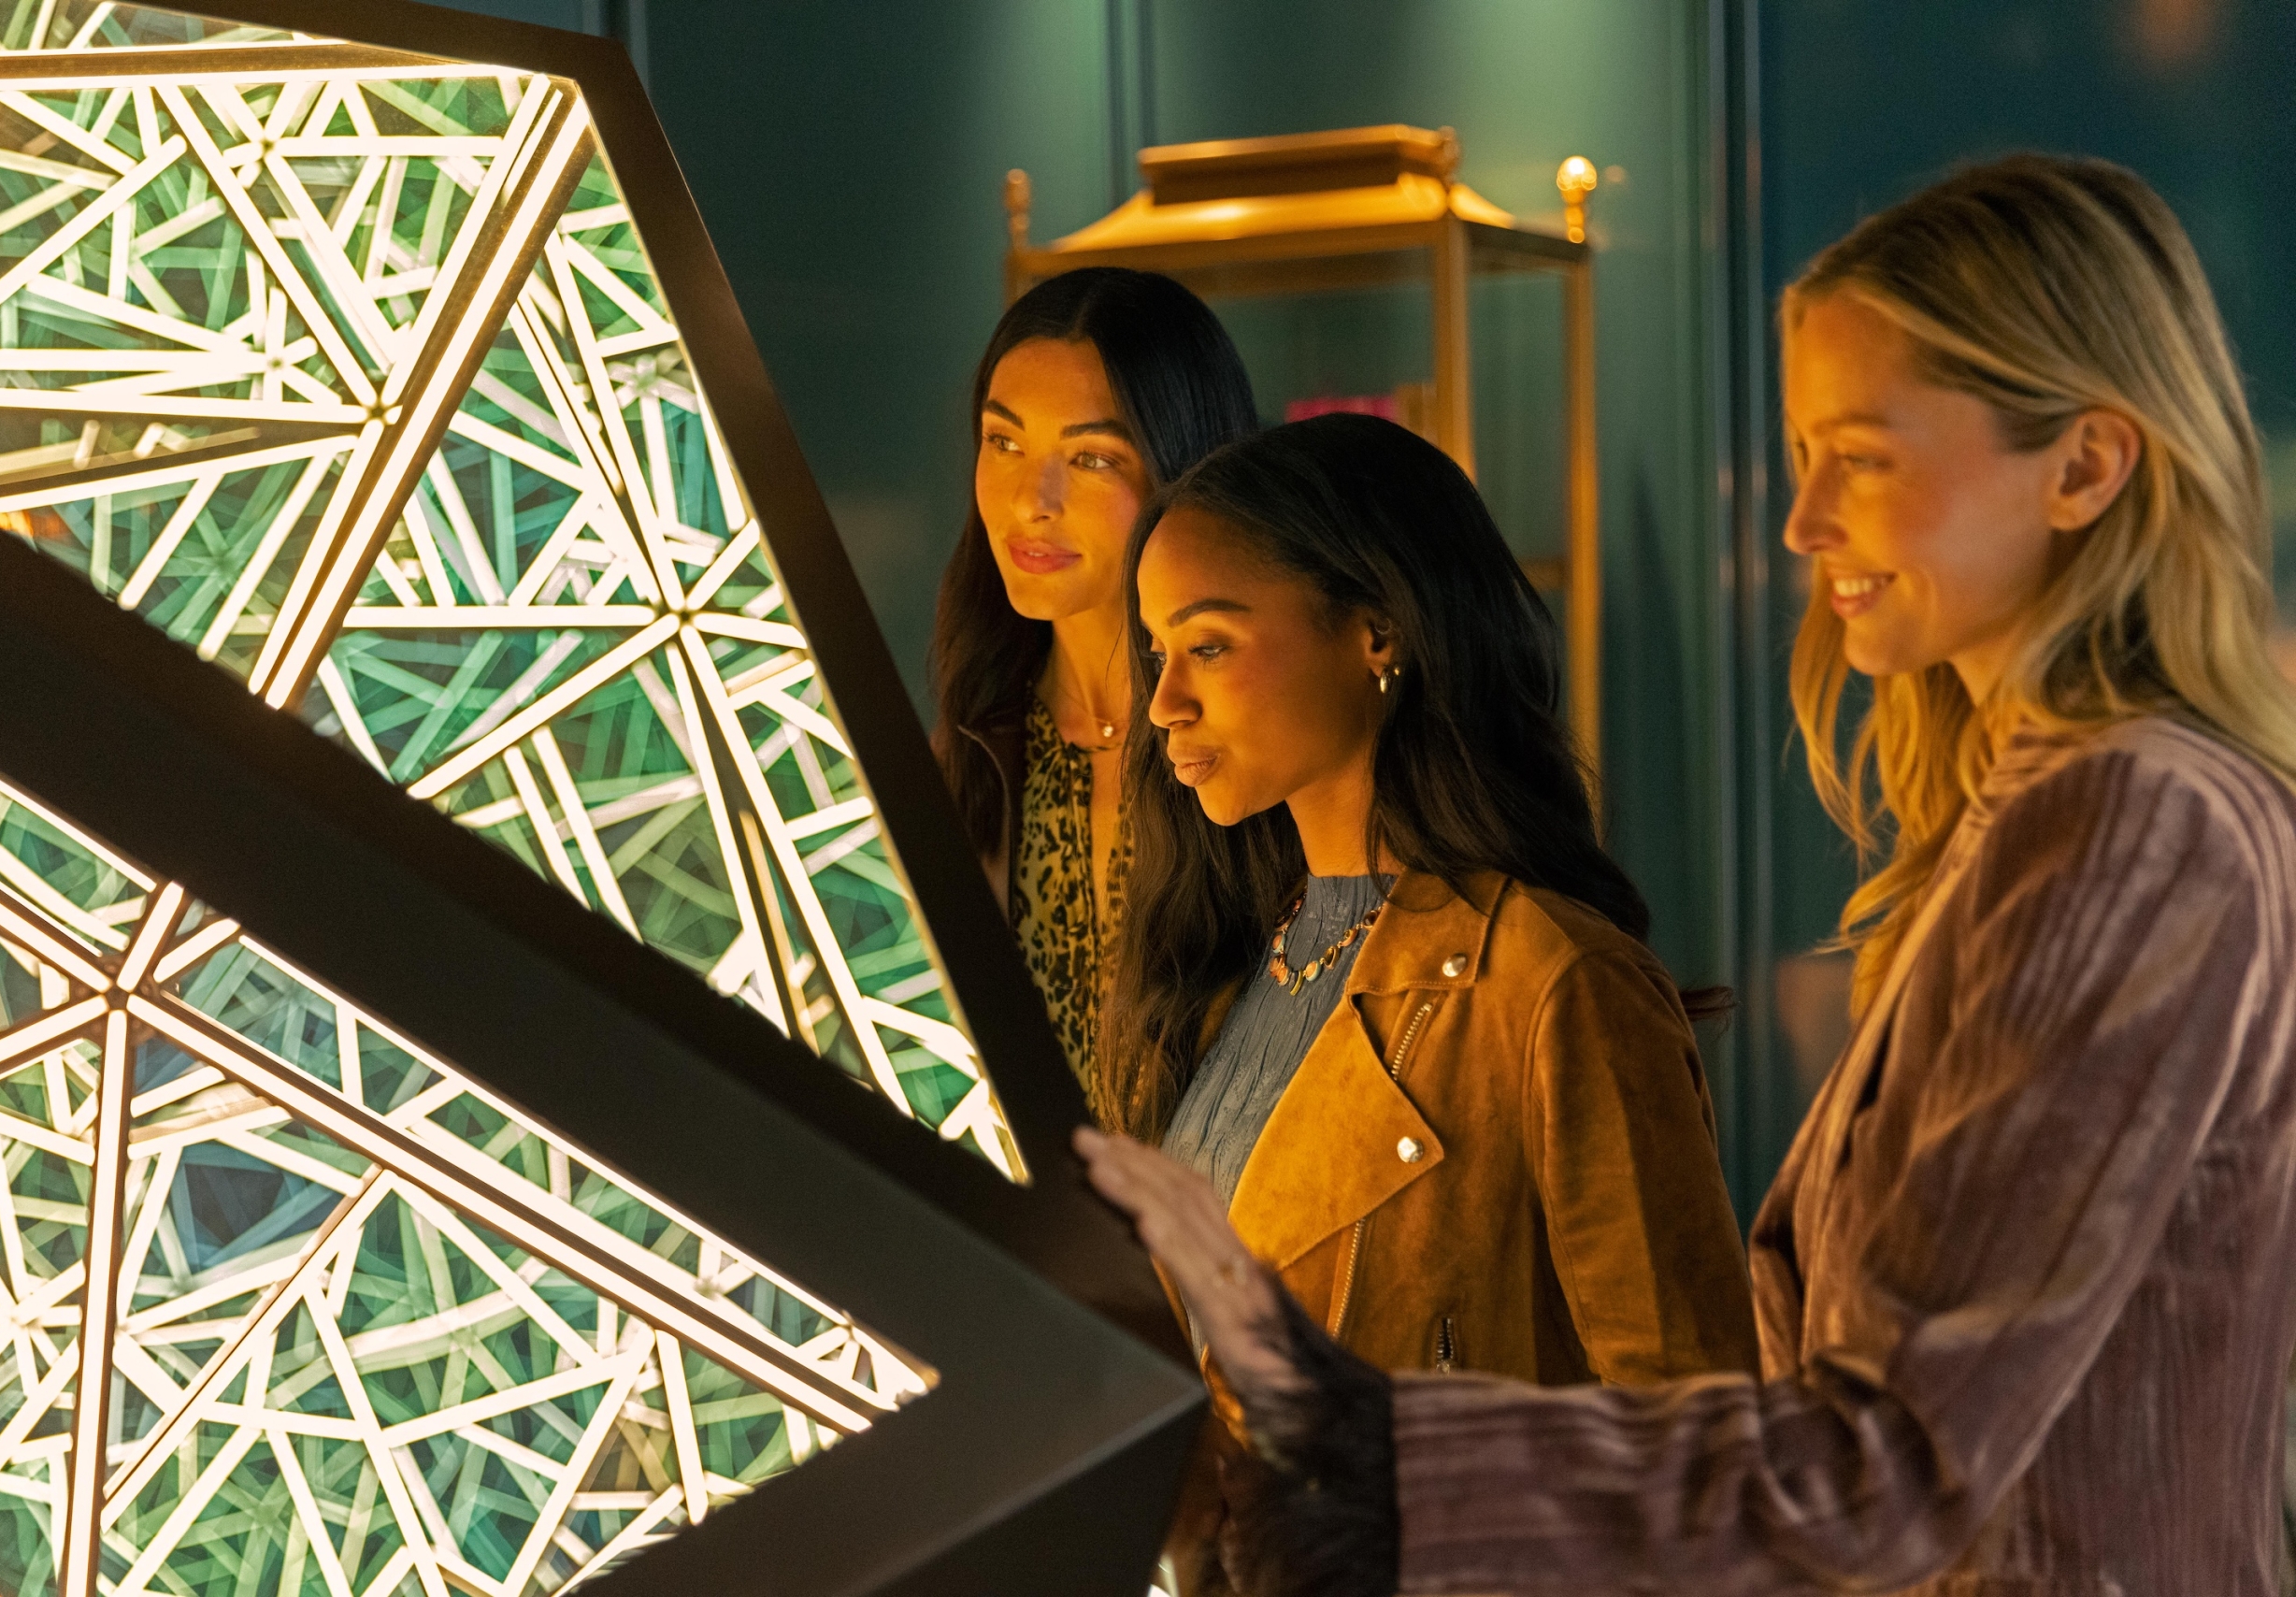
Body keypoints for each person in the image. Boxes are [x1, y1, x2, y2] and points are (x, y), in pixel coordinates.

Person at [1080, 152, 2296, 1597]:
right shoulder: (2043, 818)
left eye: (1867, 457)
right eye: (1802, 459)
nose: (1803, 524)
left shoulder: (2131, 827)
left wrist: (1364, 1460)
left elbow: (1884, 1461)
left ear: (2087, 465)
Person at [1104, 413, 1758, 1589]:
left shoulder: (1552, 983)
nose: (1162, 704)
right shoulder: (1222, 978)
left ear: (1377, 633)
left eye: (1205, 645)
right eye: (1153, 651)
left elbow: (1694, 1460)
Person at [931, 267, 1256, 1096]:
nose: (1032, 500)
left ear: (1180, 465)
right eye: (1003, 442)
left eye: (1090, 458)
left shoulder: (1258, 744)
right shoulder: (974, 745)